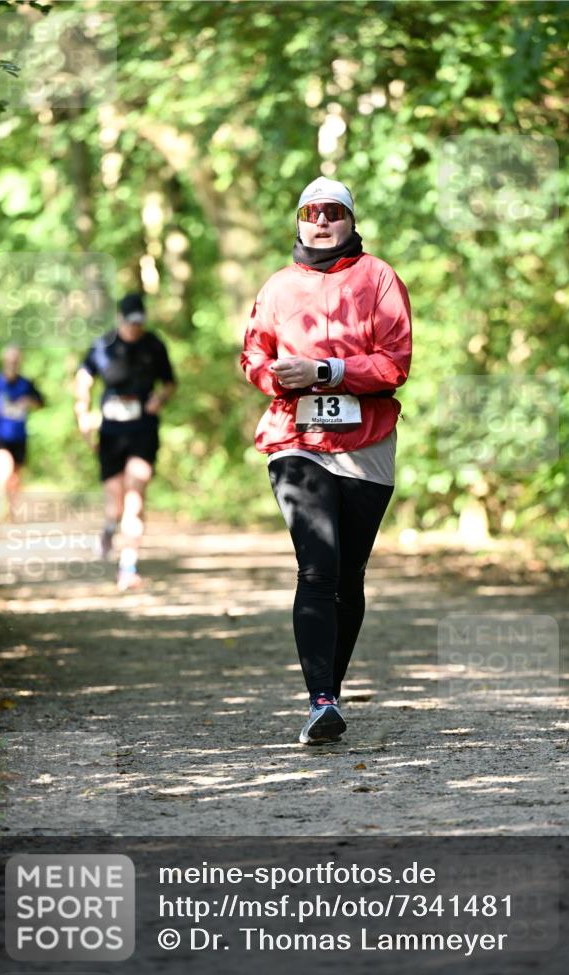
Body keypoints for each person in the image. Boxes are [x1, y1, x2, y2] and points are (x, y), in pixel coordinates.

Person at [241, 176, 412, 745]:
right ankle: (320, 700)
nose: (321, 221)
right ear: (297, 221)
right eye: (311, 212)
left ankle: (327, 698)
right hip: (296, 438)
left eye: (333, 212)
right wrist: (276, 377)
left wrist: (325, 372)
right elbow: (253, 357)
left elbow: (395, 363)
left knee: (349, 576)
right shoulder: (278, 287)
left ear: (349, 220)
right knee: (317, 567)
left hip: (367, 441)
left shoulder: (379, 278)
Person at [75, 292, 176, 591]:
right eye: (130, 323)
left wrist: (159, 399)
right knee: (115, 503)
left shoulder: (154, 345)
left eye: (139, 323)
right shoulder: (103, 345)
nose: (135, 329)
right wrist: (83, 413)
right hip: (111, 433)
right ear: (120, 319)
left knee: (136, 496)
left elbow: (170, 382)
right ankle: (108, 528)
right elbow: (84, 377)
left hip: (143, 429)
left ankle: (127, 566)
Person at [0, 346, 44, 516]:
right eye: (10, 359)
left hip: (20, 436)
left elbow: (41, 402)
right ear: (4, 360)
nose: (12, 363)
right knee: (4, 469)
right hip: (1, 436)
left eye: (15, 360)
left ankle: (13, 510)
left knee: (15, 476)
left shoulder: (26, 384)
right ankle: (0, 505)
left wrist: (29, 402)